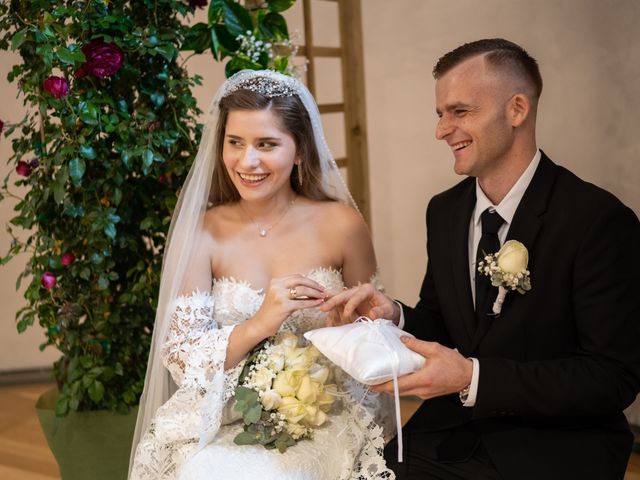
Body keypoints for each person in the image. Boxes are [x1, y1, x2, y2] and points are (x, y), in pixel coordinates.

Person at [322, 38, 640, 479]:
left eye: (460, 111)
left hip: (558, 445)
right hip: (450, 431)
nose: (441, 130)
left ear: (516, 110)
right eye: (440, 114)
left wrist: (473, 379)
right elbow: (445, 325)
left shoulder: (597, 220)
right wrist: (395, 314)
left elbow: (612, 378)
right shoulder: (444, 211)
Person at [128, 70, 395, 480]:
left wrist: (351, 327)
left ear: (301, 151)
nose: (247, 161)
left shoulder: (343, 225)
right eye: (235, 143)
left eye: (267, 144)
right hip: (221, 418)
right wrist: (258, 324)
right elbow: (181, 359)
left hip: (323, 416)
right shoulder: (203, 232)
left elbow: (375, 337)